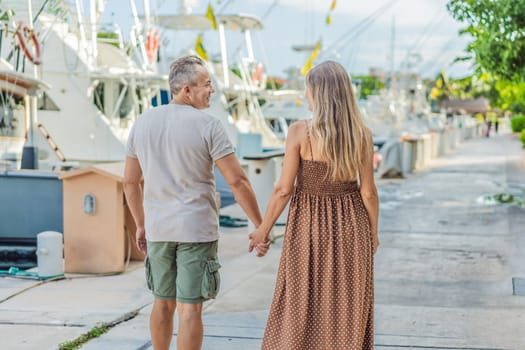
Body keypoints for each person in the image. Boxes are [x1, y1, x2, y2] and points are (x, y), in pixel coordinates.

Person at [123, 55, 268, 350]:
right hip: (195, 230)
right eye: (206, 84)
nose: (211, 90)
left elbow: (130, 181)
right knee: (190, 309)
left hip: (159, 230)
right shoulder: (208, 125)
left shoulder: (143, 122)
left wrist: (141, 225)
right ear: (186, 89)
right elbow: (238, 181)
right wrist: (260, 225)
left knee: (162, 303)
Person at [249, 60, 380, 349]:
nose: (305, 96)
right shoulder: (362, 135)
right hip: (352, 225)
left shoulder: (300, 131)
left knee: (300, 299)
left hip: (308, 224)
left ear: (319, 94)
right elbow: (368, 192)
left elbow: (283, 189)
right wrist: (373, 234)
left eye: (308, 90)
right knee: (346, 302)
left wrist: (263, 230)